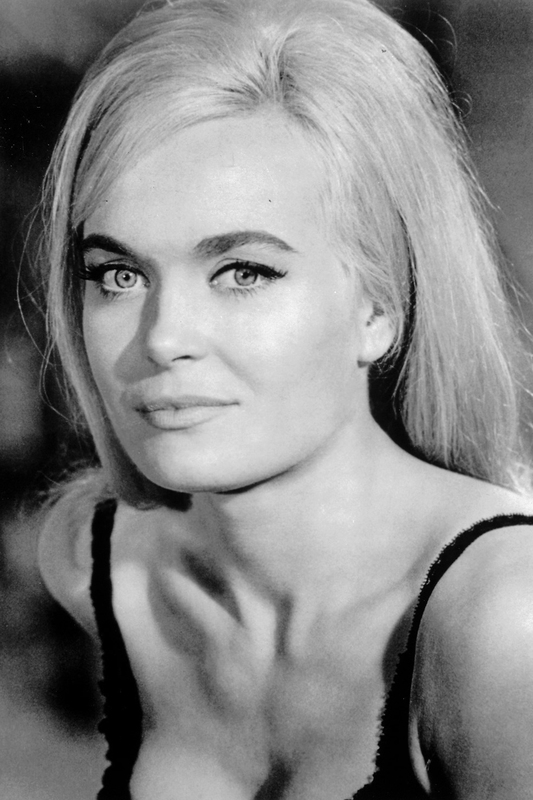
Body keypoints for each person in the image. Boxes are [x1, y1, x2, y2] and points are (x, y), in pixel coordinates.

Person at [37, 0, 533, 797]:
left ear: (379, 306)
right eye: (118, 275)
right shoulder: (94, 562)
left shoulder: (504, 621)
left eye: (243, 272)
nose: (164, 338)